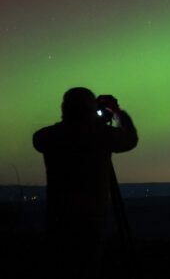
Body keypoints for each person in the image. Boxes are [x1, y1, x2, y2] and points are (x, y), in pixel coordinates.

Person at [33, 87, 138, 277]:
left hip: (59, 216)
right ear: (89, 108)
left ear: (64, 108)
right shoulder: (101, 135)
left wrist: (89, 120)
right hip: (92, 217)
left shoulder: (49, 136)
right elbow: (131, 139)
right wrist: (116, 111)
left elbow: (39, 139)